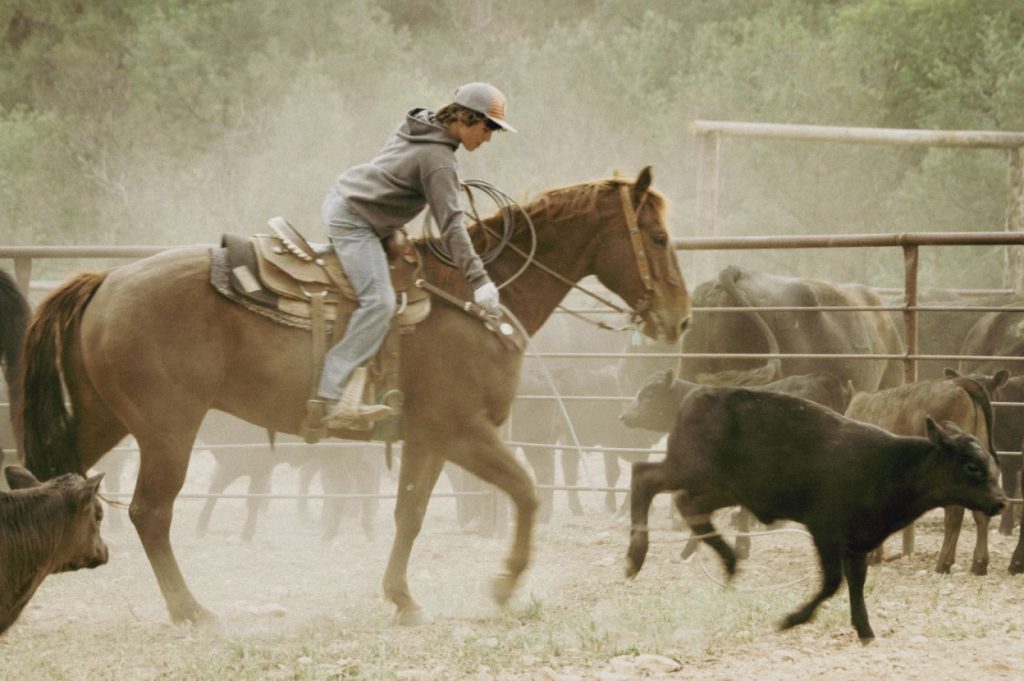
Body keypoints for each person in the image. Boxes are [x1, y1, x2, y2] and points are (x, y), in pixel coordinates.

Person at [316, 82, 516, 429]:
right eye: (487, 128)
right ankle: (331, 395)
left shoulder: (422, 125)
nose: (488, 139)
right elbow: (452, 227)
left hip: (349, 198)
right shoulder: (438, 161)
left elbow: (396, 169)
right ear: (466, 118)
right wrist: (480, 280)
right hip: (355, 221)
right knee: (379, 302)